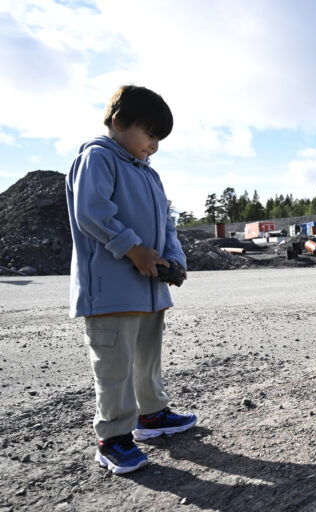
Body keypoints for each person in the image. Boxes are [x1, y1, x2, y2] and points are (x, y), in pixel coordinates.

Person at [66, 85, 197, 475]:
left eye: (159, 139)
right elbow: (92, 212)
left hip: (150, 291)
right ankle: (113, 439)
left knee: (146, 360)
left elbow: (167, 223)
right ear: (120, 122)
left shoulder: (149, 175)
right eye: (150, 134)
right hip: (111, 292)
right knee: (115, 368)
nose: (154, 145)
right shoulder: (98, 159)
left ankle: (151, 416)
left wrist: (174, 258)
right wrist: (133, 249)